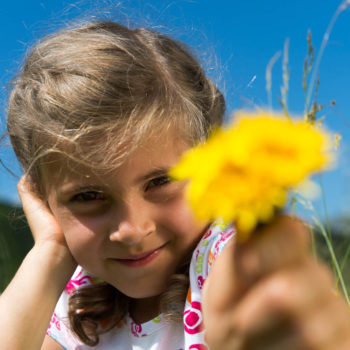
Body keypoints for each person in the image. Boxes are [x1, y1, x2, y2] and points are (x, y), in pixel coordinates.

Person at [0, 20, 349, 350]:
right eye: (87, 196)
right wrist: (51, 251)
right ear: (45, 203)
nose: (134, 229)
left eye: (161, 181)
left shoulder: (223, 260)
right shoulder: (81, 300)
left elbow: (277, 302)